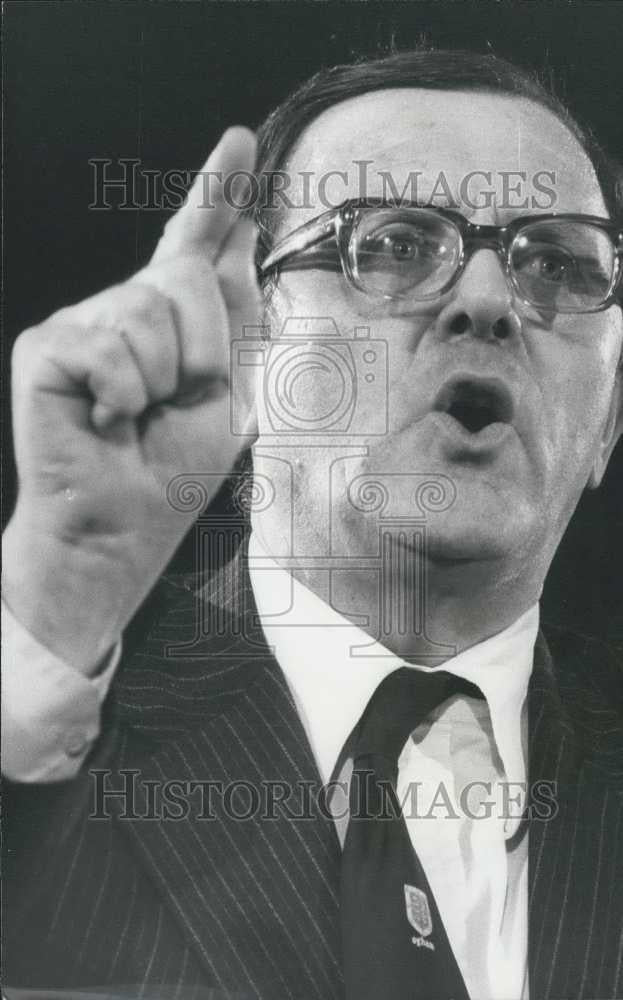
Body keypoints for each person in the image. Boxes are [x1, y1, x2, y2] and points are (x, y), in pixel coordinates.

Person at [2, 47, 622, 1000]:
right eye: (393, 245)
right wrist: (57, 592)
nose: (491, 302)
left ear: (610, 420)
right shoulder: (50, 738)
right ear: (246, 351)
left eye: (559, 264)